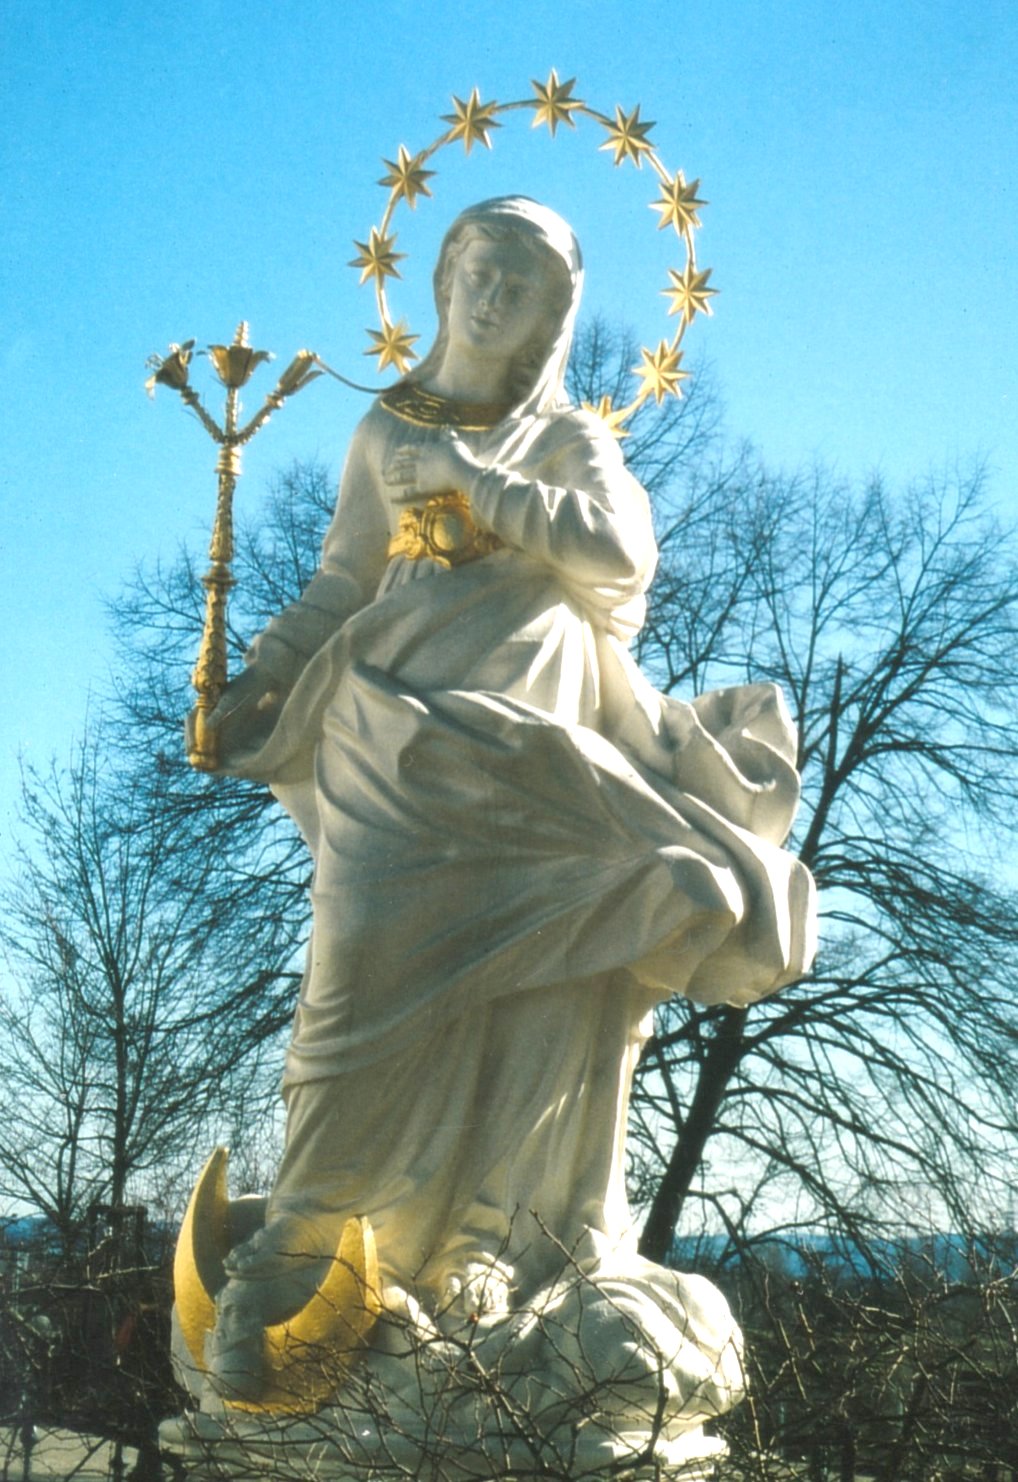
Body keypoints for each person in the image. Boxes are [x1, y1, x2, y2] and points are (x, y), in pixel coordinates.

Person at [196, 196, 815, 1399]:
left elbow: (619, 558)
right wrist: (261, 679)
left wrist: (482, 485)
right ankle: (316, 1230)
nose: (491, 299)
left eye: (520, 289)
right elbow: (340, 582)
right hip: (392, 740)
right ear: (439, 279)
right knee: (355, 982)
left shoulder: (568, 440)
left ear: (549, 318)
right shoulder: (386, 427)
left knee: (557, 977)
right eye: (480, 271)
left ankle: (500, 1237)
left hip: (536, 757)